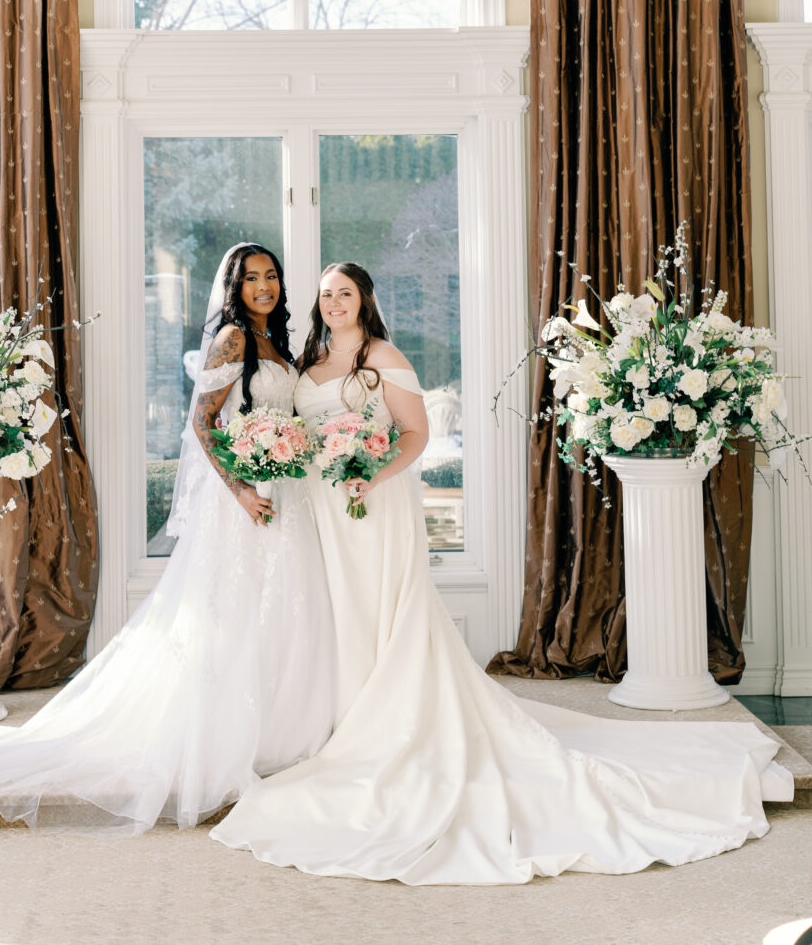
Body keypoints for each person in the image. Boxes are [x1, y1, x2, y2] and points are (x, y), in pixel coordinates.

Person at [212, 261, 793, 885]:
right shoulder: (309, 361)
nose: (333, 303)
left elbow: (415, 434)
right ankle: (343, 721)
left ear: (365, 299)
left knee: (382, 613)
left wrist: (370, 472)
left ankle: (383, 729)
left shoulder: (384, 354)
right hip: (323, 510)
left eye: (345, 293)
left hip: (372, 506)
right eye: (326, 294)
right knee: (339, 617)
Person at [0, 244, 334, 833]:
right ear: (235, 287)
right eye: (252, 279)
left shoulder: (276, 340)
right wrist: (242, 491)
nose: (265, 286)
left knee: (281, 611)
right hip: (244, 502)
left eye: (271, 276)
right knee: (236, 614)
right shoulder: (234, 340)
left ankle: (281, 730)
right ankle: (224, 739)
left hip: (285, 498)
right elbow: (202, 425)